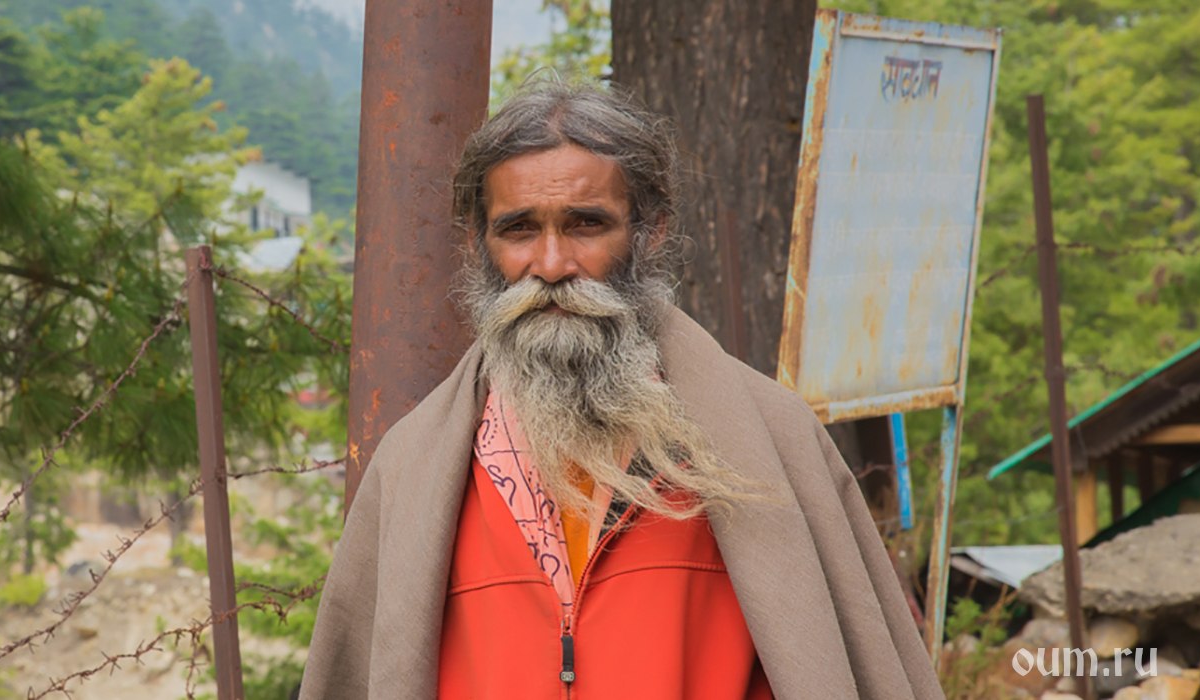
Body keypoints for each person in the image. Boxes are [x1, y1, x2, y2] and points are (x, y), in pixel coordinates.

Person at [297, 81, 942, 699]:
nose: (551, 265)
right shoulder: (413, 473)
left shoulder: (775, 444)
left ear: (649, 231)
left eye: (585, 225)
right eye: (519, 229)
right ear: (479, 244)